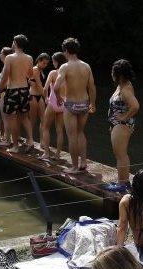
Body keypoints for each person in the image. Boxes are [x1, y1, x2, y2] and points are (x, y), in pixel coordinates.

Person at [55, 37, 96, 173]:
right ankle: (83, 162)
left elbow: (56, 87)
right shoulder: (86, 66)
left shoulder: (65, 67)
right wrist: (93, 103)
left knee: (72, 136)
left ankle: (74, 167)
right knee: (80, 132)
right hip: (84, 103)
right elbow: (92, 87)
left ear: (66, 51)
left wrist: (59, 98)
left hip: (71, 104)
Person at [0, 35, 34, 153]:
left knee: (12, 118)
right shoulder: (29, 58)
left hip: (13, 90)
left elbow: (5, 76)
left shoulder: (9, 57)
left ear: (15, 43)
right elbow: (30, 74)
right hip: (24, 89)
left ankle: (15, 146)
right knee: (25, 117)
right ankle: (31, 140)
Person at [109, 59, 140, 187]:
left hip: (122, 125)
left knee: (121, 154)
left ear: (119, 75)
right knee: (119, 154)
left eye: (113, 72)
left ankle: (123, 184)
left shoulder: (125, 89)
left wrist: (123, 118)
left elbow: (135, 106)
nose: (111, 74)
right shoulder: (121, 85)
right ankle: (121, 181)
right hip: (117, 125)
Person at [40, 52, 67, 160]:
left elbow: (45, 88)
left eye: (53, 61)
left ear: (56, 62)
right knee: (60, 130)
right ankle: (58, 154)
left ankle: (46, 153)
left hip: (53, 102)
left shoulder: (53, 73)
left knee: (45, 127)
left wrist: (46, 99)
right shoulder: (67, 73)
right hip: (63, 103)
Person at [29, 53, 50, 150]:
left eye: (46, 64)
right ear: (39, 60)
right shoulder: (35, 69)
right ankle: (29, 140)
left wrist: (45, 97)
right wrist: (47, 98)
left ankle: (42, 142)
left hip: (40, 96)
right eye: (44, 63)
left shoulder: (41, 71)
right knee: (32, 120)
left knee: (44, 120)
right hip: (33, 96)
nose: (45, 65)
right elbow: (38, 84)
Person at [0, 47, 14, 147]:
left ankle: (7, 140)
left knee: (5, 118)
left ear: (5, 55)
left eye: (1, 53)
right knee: (8, 118)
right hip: (8, 93)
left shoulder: (7, 66)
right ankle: (8, 137)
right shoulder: (8, 65)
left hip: (4, 93)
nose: (0, 54)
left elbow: (5, 82)